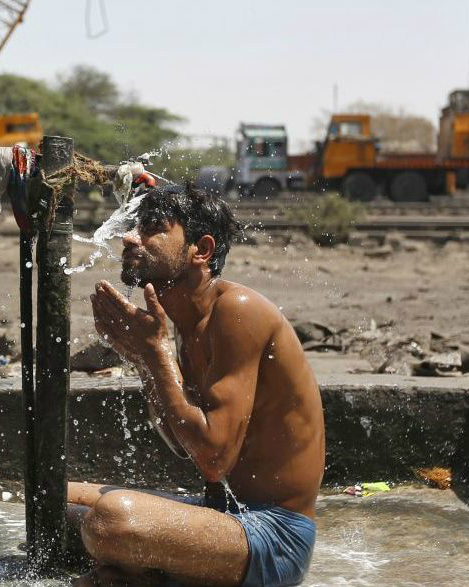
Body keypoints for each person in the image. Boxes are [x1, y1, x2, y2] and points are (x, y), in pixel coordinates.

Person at [72, 185, 325, 587]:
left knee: (110, 520)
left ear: (201, 250)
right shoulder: (186, 327)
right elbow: (181, 441)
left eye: (153, 228)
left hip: (275, 537)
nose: (129, 237)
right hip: (227, 512)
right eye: (134, 227)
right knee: (55, 499)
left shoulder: (236, 312)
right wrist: (145, 362)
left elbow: (212, 459)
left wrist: (155, 353)